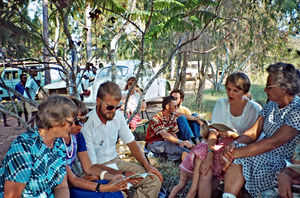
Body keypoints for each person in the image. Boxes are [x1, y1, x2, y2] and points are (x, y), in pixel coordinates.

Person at [169, 72, 262, 198]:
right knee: (205, 170)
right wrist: (210, 155)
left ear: (245, 91)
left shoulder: (254, 109)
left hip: (240, 149)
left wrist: (233, 135)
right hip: (220, 144)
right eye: (228, 89)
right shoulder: (221, 103)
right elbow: (213, 132)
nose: (230, 93)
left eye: (235, 90)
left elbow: (252, 138)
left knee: (227, 168)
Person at [221, 63, 300, 198]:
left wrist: (236, 153)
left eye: (269, 86)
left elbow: (273, 143)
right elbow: (253, 132)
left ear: (283, 89)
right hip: (260, 153)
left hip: (281, 161)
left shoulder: (296, 111)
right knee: (237, 150)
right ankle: (229, 195)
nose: (265, 90)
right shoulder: (271, 105)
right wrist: (234, 145)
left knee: (241, 157)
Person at [81, 81, 163, 198]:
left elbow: (132, 143)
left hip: (116, 162)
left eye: (117, 106)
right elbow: (91, 167)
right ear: (98, 101)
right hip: (96, 169)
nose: (113, 111)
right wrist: (122, 174)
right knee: (120, 192)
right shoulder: (87, 125)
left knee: (153, 179)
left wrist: (147, 165)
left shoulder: (117, 116)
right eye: (110, 107)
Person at [0, 95, 78, 197]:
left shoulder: (58, 144)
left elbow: (61, 187)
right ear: (55, 120)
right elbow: (12, 196)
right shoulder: (24, 148)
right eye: (71, 122)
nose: (73, 126)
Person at [64, 97, 129, 197]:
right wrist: (104, 187)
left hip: (73, 181)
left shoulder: (77, 137)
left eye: (84, 120)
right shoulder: (58, 142)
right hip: (64, 186)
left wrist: (111, 177)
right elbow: (72, 180)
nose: (81, 125)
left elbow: (88, 167)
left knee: (113, 190)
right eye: (77, 121)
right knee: (106, 192)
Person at [145, 96, 194, 161]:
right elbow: (165, 135)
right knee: (169, 144)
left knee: (173, 146)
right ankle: (191, 153)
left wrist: (179, 143)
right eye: (175, 106)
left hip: (164, 143)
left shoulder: (172, 117)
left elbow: (173, 133)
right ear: (167, 107)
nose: (176, 108)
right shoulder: (156, 118)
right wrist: (181, 142)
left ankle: (178, 156)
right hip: (153, 144)